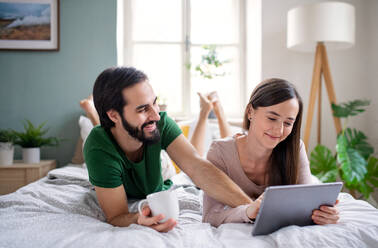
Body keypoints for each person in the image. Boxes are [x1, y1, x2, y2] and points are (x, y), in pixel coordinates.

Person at [82, 66, 256, 233]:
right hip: (118, 165)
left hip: (162, 167)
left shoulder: (161, 123)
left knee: (178, 163)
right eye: (143, 109)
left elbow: (197, 166)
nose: (156, 115)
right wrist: (138, 219)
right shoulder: (98, 148)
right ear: (113, 115)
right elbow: (117, 216)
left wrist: (251, 207)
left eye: (155, 103)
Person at [203, 78, 340, 227]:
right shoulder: (220, 152)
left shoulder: (295, 148)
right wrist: (248, 212)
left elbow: (306, 204)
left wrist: (323, 215)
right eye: (272, 118)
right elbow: (210, 216)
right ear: (250, 112)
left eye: (288, 123)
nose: (279, 130)